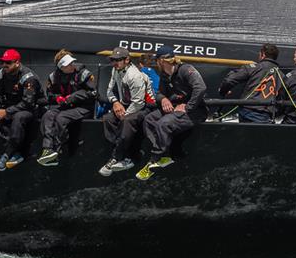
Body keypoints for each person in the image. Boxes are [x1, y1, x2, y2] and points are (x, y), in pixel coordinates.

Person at [136, 46, 208, 180]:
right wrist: (163, 99)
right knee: (149, 120)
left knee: (164, 123)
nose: (155, 63)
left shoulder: (186, 70)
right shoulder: (164, 75)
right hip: (174, 109)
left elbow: (201, 87)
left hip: (194, 111)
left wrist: (188, 107)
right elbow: (159, 93)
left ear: (161, 61)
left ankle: (154, 158)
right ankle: (165, 155)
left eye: (156, 60)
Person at [99, 46, 155, 176]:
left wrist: (123, 114)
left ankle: (119, 157)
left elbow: (139, 103)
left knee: (127, 121)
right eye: (113, 60)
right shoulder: (116, 69)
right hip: (127, 103)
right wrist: (115, 102)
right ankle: (124, 153)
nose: (114, 63)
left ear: (127, 60)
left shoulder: (134, 75)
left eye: (118, 60)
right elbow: (109, 91)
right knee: (107, 119)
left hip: (146, 107)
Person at [37, 49, 97, 166]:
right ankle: (47, 149)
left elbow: (93, 93)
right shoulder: (53, 77)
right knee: (48, 115)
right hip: (66, 106)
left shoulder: (84, 74)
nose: (71, 65)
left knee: (61, 117)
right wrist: (57, 98)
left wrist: (73, 97)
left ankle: (56, 150)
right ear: (61, 67)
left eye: (72, 63)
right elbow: (50, 95)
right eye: (68, 64)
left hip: (84, 107)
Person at [0, 48, 43, 171]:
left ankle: (8, 154)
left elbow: (28, 103)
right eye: (3, 62)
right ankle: (17, 151)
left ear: (17, 63)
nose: (5, 65)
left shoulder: (28, 78)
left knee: (19, 117)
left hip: (31, 108)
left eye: (8, 63)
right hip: (13, 106)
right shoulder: (2, 73)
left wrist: (6, 111)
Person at [218, 43, 281, 123]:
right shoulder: (282, 76)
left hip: (248, 113)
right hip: (268, 116)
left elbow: (229, 80)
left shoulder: (253, 68)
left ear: (263, 54)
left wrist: (223, 91)